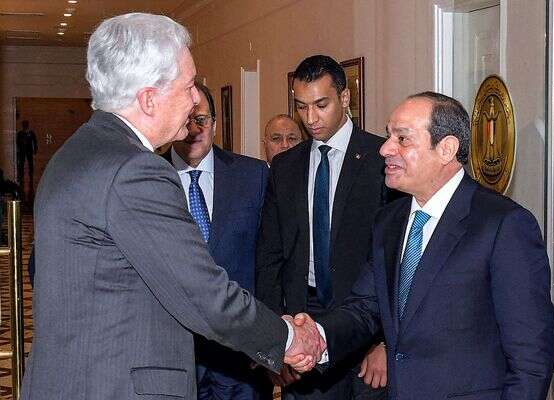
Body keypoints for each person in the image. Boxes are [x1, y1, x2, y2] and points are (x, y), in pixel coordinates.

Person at [21, 13, 324, 400]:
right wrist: (288, 338)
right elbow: (204, 295)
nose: (196, 98)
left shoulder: (79, 151)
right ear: (149, 99)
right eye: (188, 85)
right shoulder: (134, 170)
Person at [302, 91, 554, 399]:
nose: (385, 149)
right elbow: (365, 308)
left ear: (446, 149)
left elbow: (531, 360)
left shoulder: (504, 225)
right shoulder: (389, 221)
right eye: (388, 136)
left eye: (402, 139)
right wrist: (314, 337)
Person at [256, 55, 393, 399]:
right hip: (304, 321)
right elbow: (270, 257)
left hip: (366, 325)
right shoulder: (285, 167)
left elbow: (395, 259)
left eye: (321, 105)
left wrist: (385, 343)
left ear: (345, 98)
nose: (311, 118)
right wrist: (276, 341)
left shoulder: (382, 160)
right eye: (302, 107)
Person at [163, 83, 271, 399]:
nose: (194, 130)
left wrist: (266, 335)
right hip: (174, 352)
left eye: (202, 120)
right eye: (186, 120)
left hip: (242, 354)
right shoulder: (146, 176)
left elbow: (269, 260)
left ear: (215, 124)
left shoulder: (252, 175)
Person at [16, 120, 38, 192]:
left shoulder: (30, 133)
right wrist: (18, 150)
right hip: (23, 151)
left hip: (28, 150)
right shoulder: (21, 134)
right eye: (24, 125)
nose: (25, 126)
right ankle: (22, 174)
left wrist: (35, 149)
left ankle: (29, 174)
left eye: (26, 124)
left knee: (29, 163)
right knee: (22, 163)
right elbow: (17, 142)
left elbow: (35, 141)